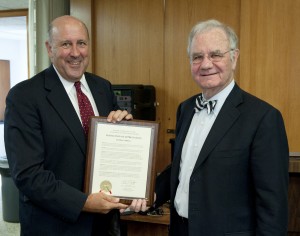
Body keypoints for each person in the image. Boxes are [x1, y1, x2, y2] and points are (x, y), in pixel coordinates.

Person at [4, 15, 146, 236]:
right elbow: (28, 174)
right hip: (54, 227)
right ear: (49, 48)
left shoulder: (103, 88)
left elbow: (115, 149)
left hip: (104, 226)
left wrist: (126, 128)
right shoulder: (25, 96)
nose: (75, 52)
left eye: (81, 43)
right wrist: (84, 202)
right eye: (65, 44)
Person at [154, 19, 289, 235]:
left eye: (216, 55)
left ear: (234, 58)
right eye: (197, 57)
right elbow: (185, 167)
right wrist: (148, 193)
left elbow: (273, 207)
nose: (206, 64)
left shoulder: (263, 118)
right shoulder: (186, 109)